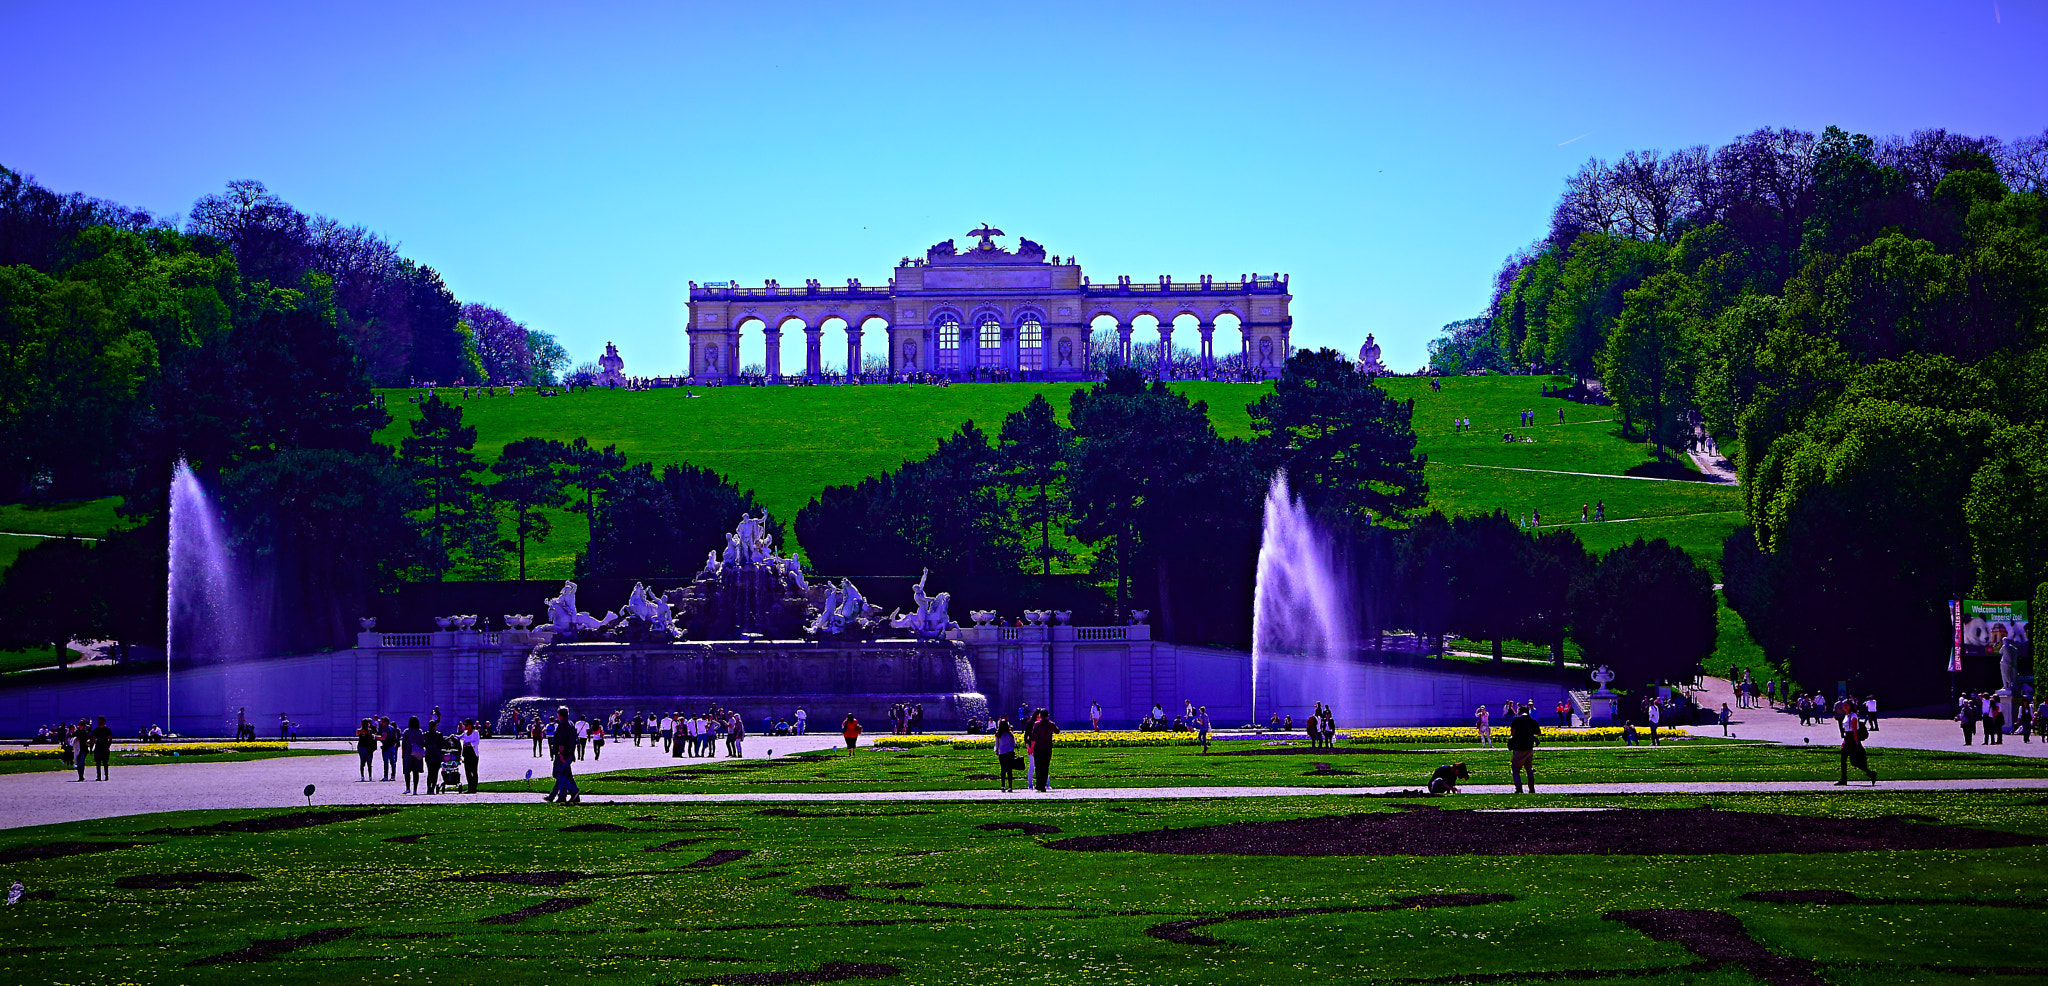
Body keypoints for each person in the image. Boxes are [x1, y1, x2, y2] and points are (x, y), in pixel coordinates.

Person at [545, 707, 580, 804]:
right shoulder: (571, 724)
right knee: (566, 775)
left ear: (559, 715)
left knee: (556, 774)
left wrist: (560, 753)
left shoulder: (563, 725)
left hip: (563, 754)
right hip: (570, 753)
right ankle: (560, 797)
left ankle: (573, 790)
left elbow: (562, 741)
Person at [1836, 705, 1877, 786]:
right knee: (1843, 759)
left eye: (1846, 705)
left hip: (1851, 740)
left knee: (1854, 762)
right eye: (1844, 705)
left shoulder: (1853, 716)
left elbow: (1854, 731)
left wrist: (1856, 742)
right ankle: (1843, 779)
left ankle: (1871, 773)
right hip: (1846, 739)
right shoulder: (1846, 715)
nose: (1844, 706)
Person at [1506, 704, 1540, 793]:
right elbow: (1538, 733)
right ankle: (1531, 789)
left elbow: (1512, 733)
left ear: (1520, 711)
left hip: (1519, 747)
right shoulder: (1532, 721)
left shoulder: (1517, 720)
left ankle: (1519, 789)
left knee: (1515, 769)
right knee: (1529, 770)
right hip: (1529, 747)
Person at [1028, 708, 1059, 792]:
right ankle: (1043, 785)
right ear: (1047, 715)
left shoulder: (1037, 724)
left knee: (1038, 767)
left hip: (1038, 748)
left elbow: (1033, 737)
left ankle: (1039, 784)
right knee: (1045, 767)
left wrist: (1032, 748)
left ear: (1040, 716)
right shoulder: (1051, 724)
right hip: (1047, 748)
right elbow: (1057, 731)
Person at [422, 718, 448, 794]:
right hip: (437, 756)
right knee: (435, 773)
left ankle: (428, 788)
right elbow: (442, 745)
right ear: (435, 726)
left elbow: (424, 744)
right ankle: (432, 788)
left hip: (429, 755)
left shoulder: (425, 735)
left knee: (430, 772)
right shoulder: (438, 735)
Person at [401, 715, 425, 794]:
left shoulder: (406, 732)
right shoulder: (420, 732)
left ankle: (408, 788)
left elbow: (403, 744)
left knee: (407, 771)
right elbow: (422, 743)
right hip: (417, 753)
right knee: (416, 772)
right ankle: (415, 789)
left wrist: (403, 754)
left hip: (408, 753)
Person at [993, 719, 1019, 792]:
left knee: (1003, 770)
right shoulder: (1010, 734)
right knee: (1009, 770)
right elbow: (1014, 744)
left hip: (1002, 753)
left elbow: (996, 745)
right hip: (1010, 752)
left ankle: (1003, 786)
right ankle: (1010, 786)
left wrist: (996, 751)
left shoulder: (998, 734)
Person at [459, 718, 482, 794]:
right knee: (467, 771)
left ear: (470, 725)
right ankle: (470, 788)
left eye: (466, 725)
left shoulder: (475, 733)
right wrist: (454, 737)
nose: (465, 726)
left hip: (473, 754)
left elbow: (476, 742)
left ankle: (474, 788)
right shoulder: (465, 733)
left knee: (474, 771)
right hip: (466, 753)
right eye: (464, 725)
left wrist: (469, 744)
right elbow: (459, 737)